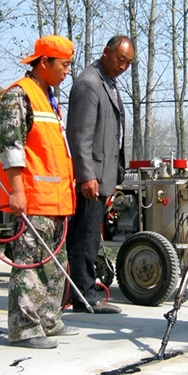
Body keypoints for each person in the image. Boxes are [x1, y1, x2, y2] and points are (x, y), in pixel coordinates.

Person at [0, 35, 78, 349]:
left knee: (54, 266)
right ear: (44, 62)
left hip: (55, 199)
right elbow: (12, 147)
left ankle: (48, 319)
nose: (67, 71)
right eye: (64, 64)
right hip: (32, 198)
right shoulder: (19, 95)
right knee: (30, 264)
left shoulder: (48, 98)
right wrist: (17, 192)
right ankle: (25, 328)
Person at [65, 35, 135, 314]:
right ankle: (84, 296)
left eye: (128, 63)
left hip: (104, 174)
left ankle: (82, 289)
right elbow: (79, 135)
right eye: (120, 60)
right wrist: (86, 176)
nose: (123, 67)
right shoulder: (89, 83)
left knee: (91, 235)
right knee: (85, 235)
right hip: (91, 177)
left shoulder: (108, 82)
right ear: (106, 52)